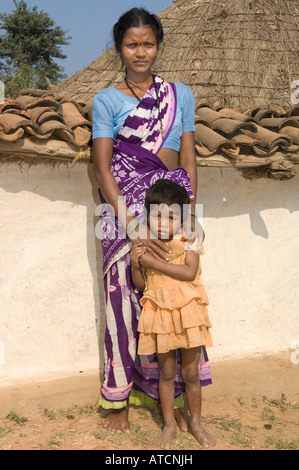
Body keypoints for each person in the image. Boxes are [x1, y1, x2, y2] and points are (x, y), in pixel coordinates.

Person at [92, 7, 212, 434]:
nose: (140, 52)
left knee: (175, 298)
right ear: (119, 47)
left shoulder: (180, 94)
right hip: (122, 209)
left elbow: (189, 154)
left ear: (158, 46)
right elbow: (104, 168)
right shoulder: (106, 100)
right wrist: (132, 224)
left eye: (147, 43)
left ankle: (176, 399)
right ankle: (119, 400)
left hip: (170, 207)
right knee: (122, 303)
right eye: (131, 44)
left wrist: (188, 212)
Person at [130, 179, 215, 449]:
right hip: (161, 318)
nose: (163, 222)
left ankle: (196, 422)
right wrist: (135, 264)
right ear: (148, 216)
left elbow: (189, 272)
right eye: (157, 215)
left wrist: (152, 262)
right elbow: (143, 285)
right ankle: (168, 424)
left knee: (190, 373)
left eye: (171, 216)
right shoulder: (145, 246)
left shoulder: (188, 240)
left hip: (188, 315)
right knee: (166, 373)